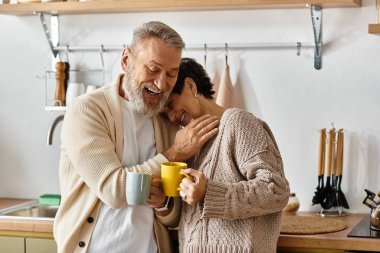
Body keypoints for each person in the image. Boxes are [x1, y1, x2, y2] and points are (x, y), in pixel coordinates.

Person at [53, 22, 219, 253]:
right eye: (153, 69)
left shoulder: (164, 120)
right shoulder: (87, 110)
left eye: (171, 74)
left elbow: (173, 215)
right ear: (126, 61)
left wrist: (164, 204)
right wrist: (174, 154)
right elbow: (113, 190)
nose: (162, 84)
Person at [162, 58, 290, 253]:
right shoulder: (189, 143)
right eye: (166, 114)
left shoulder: (238, 123)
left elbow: (276, 190)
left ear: (190, 86)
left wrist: (209, 193)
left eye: (171, 104)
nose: (172, 117)